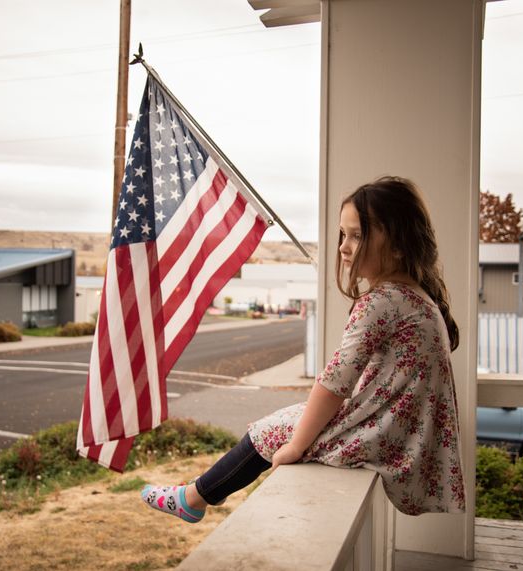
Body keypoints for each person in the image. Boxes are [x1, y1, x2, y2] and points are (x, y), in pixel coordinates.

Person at [141, 176, 466, 523]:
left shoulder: (381, 302)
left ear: (399, 244)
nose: (343, 246)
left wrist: (296, 447)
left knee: (273, 428)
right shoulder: (418, 296)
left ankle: (193, 498)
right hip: (403, 435)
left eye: (357, 235)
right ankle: (194, 495)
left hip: (382, 436)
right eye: (343, 234)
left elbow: (334, 383)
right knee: (292, 417)